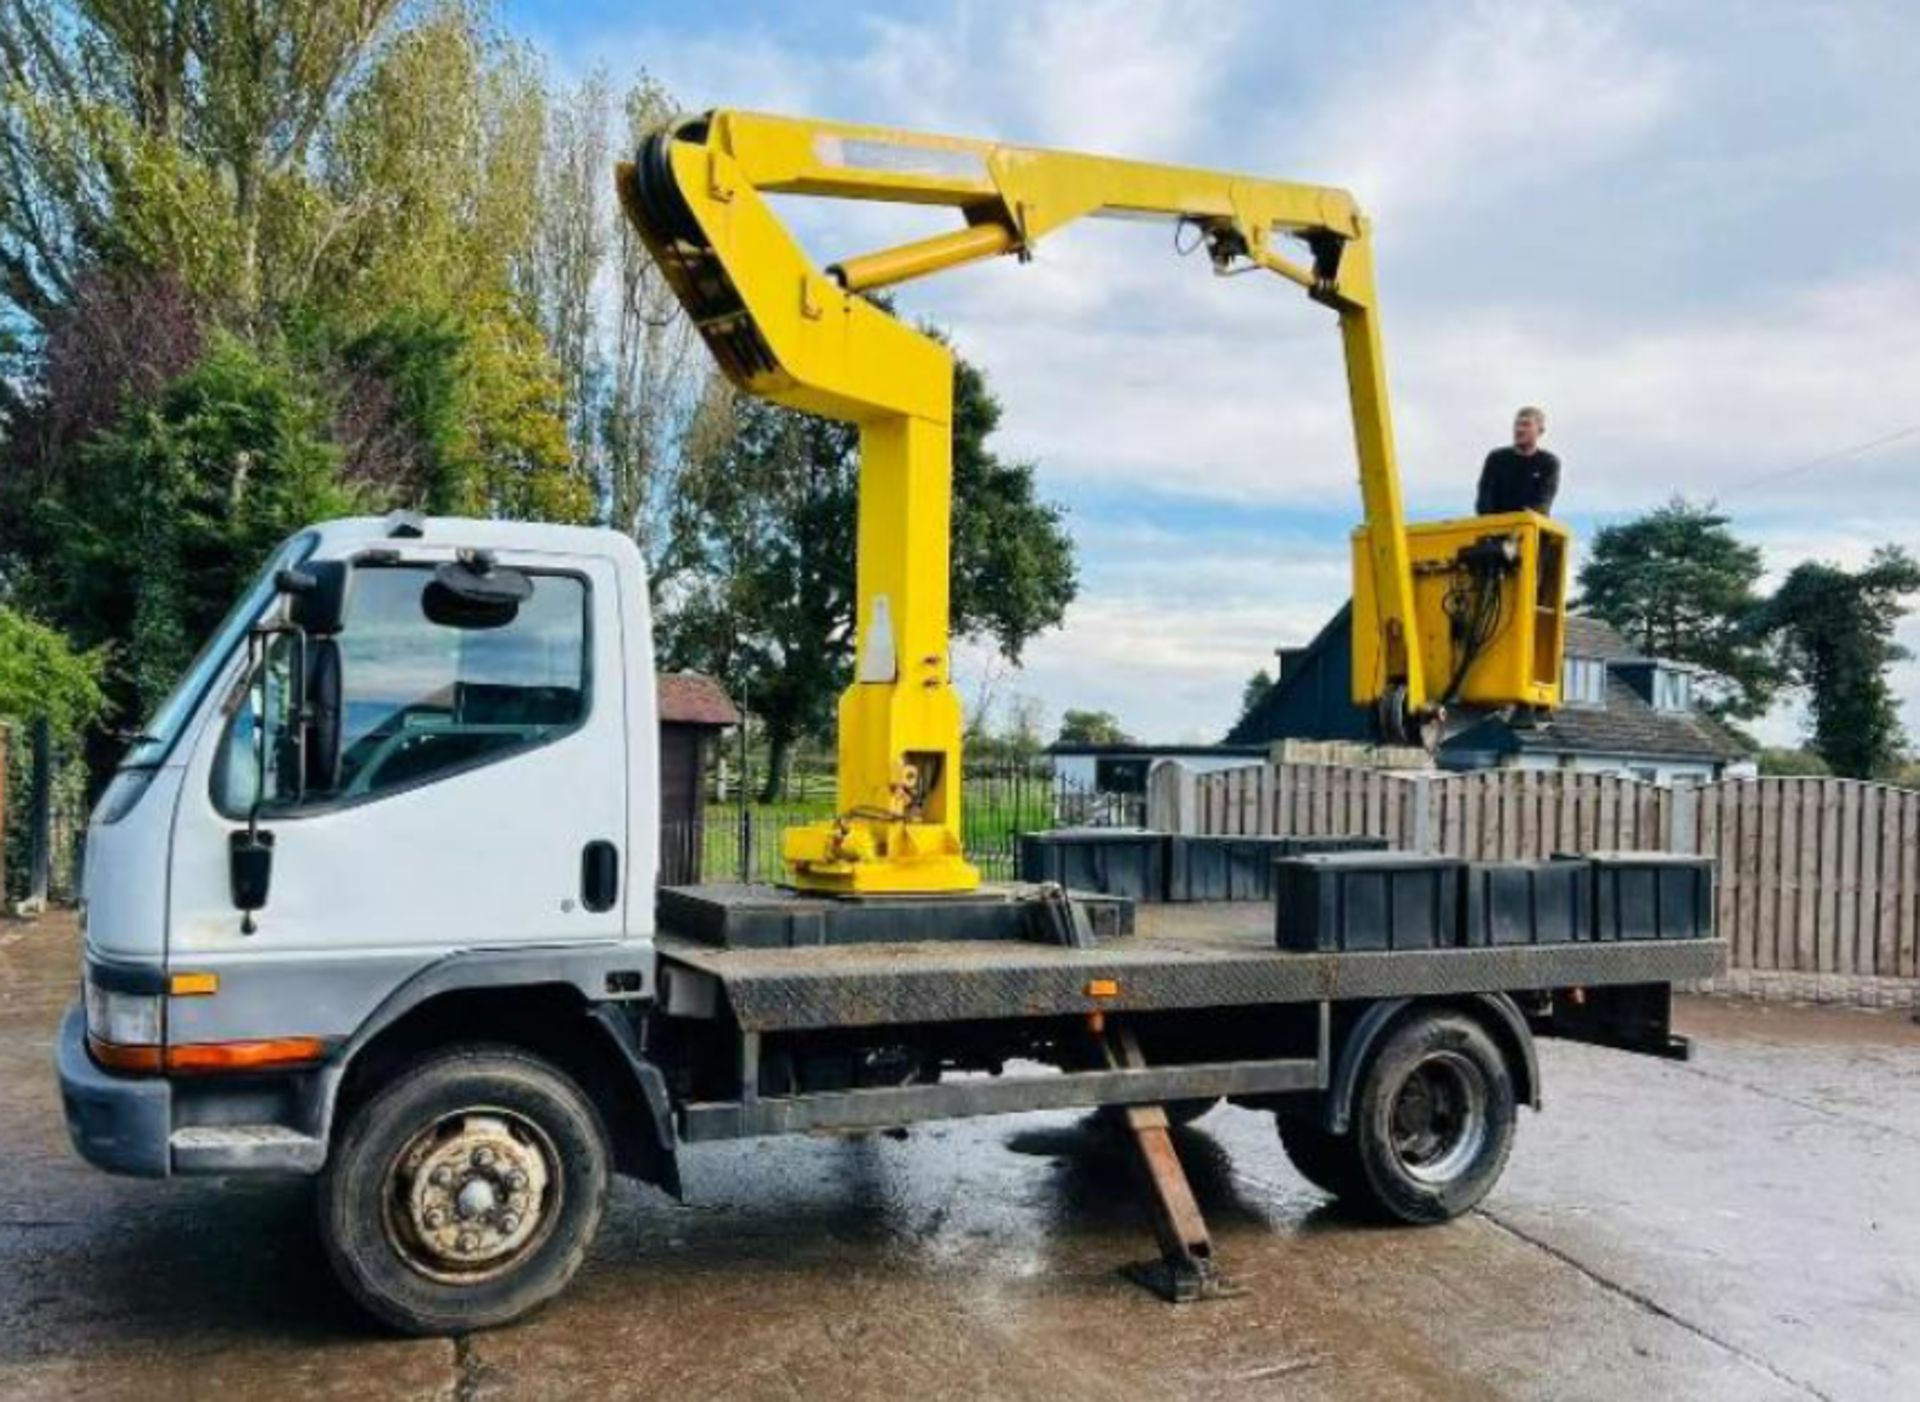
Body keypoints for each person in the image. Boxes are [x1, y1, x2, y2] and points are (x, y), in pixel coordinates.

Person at [1475, 406, 1560, 515]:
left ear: (1540, 431)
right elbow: (1484, 500)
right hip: (1496, 526)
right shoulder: (1496, 459)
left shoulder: (1549, 462)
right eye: (1517, 424)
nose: (1519, 429)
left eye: (1526, 424)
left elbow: (1543, 503)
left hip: (1529, 526)